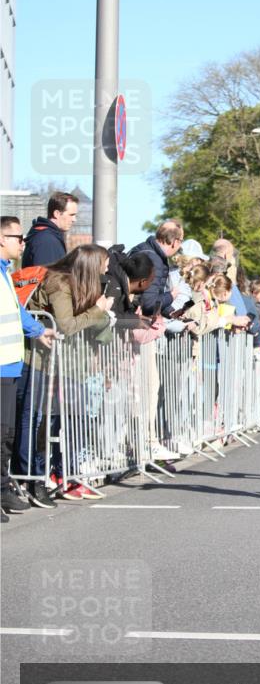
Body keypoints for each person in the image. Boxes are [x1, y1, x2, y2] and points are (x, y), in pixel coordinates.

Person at [17, 244, 114, 502]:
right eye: (104, 264)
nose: (107, 269)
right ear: (90, 266)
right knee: (34, 420)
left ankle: (49, 475)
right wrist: (99, 310)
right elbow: (66, 325)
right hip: (34, 360)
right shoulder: (59, 283)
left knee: (51, 421)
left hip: (54, 361)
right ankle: (31, 478)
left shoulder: (75, 284)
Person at [1, 217, 57, 518]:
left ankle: (2, 489)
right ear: (1, 239)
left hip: (10, 364)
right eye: (17, 237)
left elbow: (16, 311)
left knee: (6, 433)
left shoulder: (6, 274)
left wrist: (38, 330)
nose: (22, 244)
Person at [128, 220, 184, 316]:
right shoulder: (154, 260)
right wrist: (171, 296)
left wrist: (171, 312)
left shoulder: (142, 249)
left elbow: (148, 297)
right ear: (175, 242)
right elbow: (148, 304)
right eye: (181, 241)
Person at [21, 191, 79, 268]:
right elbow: (47, 277)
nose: (74, 219)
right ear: (57, 214)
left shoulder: (48, 236)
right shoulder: (46, 240)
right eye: (71, 215)